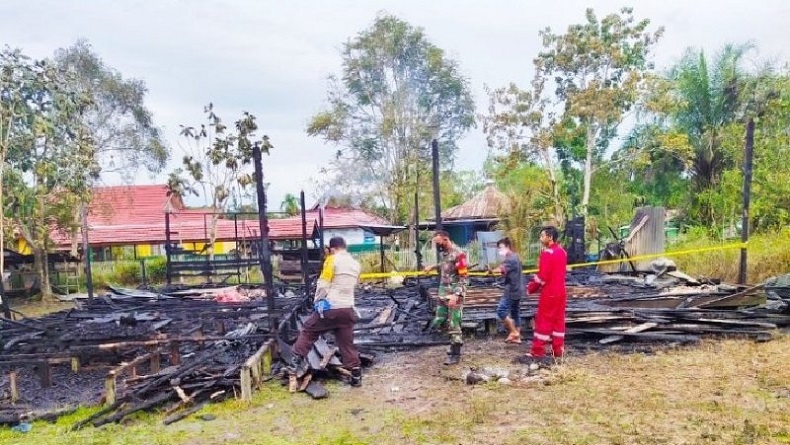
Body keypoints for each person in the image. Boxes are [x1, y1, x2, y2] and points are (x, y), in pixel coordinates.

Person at [290, 236, 363, 386]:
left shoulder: (332, 259)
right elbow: (354, 284)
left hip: (331, 308)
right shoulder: (356, 264)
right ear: (345, 247)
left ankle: (294, 361)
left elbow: (323, 283)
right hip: (348, 309)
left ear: (332, 248)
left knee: (309, 330)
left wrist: (318, 301)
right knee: (346, 343)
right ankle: (356, 375)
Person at [523, 226, 567, 366]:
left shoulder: (547, 253)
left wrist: (530, 288)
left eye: (542, 236)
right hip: (561, 291)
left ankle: (537, 350)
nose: (541, 239)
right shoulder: (562, 252)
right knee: (558, 320)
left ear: (549, 237)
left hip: (550, 292)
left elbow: (543, 277)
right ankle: (558, 350)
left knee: (544, 320)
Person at [423, 230, 468, 365]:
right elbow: (445, 264)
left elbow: (464, 277)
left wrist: (456, 294)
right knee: (440, 319)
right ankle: (453, 342)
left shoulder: (459, 254)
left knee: (454, 322)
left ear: (445, 239)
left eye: (438, 243)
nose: (437, 246)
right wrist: (433, 266)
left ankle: (455, 353)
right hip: (443, 291)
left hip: (455, 292)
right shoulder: (445, 254)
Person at [492, 237, 525, 344]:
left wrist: (492, 271)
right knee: (515, 312)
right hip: (518, 288)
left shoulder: (510, 259)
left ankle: (514, 332)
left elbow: (501, 270)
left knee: (501, 310)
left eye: (501, 248)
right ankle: (517, 337)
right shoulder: (515, 257)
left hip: (512, 290)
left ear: (507, 247)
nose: (499, 250)